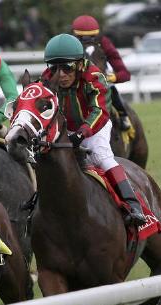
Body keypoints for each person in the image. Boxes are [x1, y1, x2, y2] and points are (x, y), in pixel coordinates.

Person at [40, 34, 146, 226]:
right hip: (64, 129)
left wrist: (81, 134)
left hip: (95, 126)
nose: (60, 74)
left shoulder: (94, 77)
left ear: (80, 64)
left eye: (66, 67)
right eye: (54, 67)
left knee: (101, 157)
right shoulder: (46, 79)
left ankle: (133, 204)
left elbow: (99, 111)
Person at [71, 14, 134, 131]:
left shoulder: (104, 43)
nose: (87, 41)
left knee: (112, 90)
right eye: (81, 38)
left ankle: (123, 116)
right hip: (74, 85)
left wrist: (112, 78)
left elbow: (125, 73)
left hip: (100, 84)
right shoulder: (69, 44)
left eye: (92, 37)